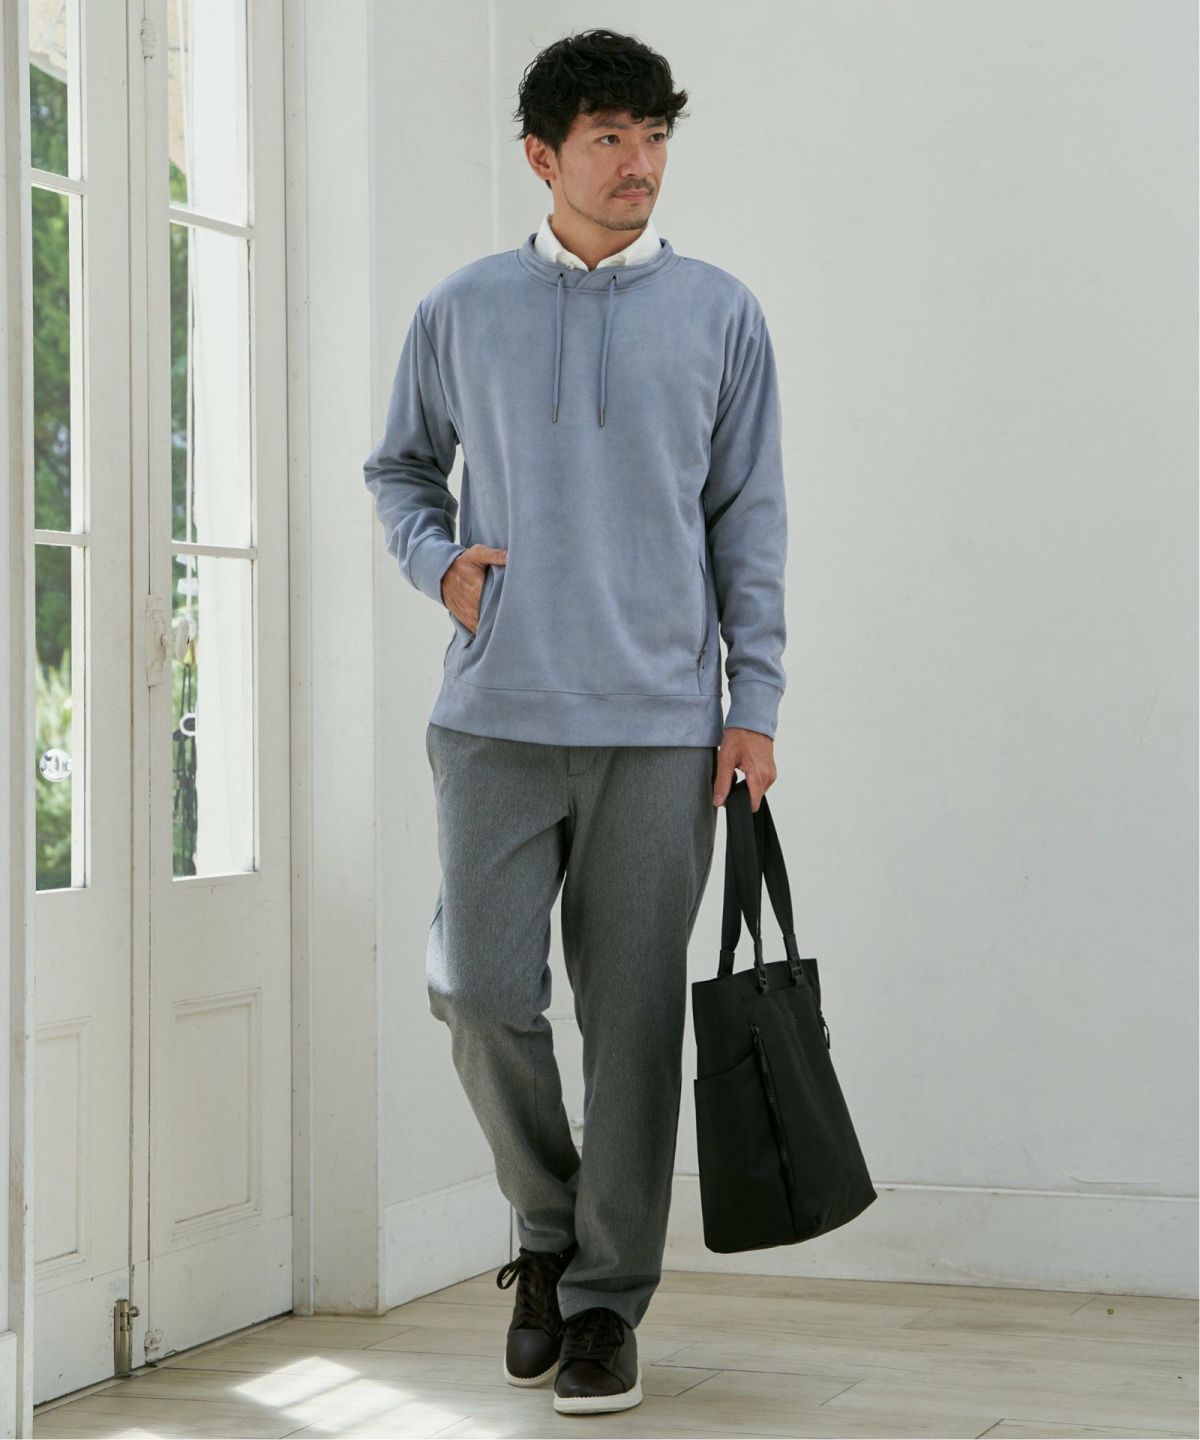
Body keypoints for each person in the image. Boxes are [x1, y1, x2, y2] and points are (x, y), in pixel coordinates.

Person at [363, 27, 788, 1417]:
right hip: (495, 716)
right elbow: (399, 469)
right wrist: (439, 563)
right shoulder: (462, 309)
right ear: (542, 156)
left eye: (654, 136)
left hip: (663, 726)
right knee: (479, 993)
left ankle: (604, 1302)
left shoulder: (721, 314)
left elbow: (750, 520)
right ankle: (549, 1234)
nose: (639, 163)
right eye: (610, 138)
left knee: (633, 1022)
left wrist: (753, 702)